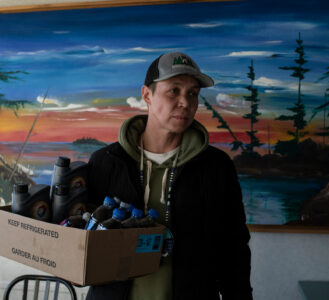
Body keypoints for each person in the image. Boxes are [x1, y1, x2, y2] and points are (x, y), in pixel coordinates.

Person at [86, 52, 252, 300]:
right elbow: (82, 243)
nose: (185, 102)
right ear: (147, 95)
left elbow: (234, 249)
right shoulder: (106, 162)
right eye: (174, 90)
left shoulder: (216, 167)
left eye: (193, 93)